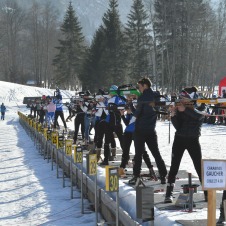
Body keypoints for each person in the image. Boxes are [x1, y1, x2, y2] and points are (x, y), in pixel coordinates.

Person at [164, 88, 206, 203]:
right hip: (180, 139)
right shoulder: (180, 106)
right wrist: (173, 115)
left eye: (184, 98)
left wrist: (185, 110)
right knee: (174, 167)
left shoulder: (200, 106)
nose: (181, 100)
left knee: (199, 167)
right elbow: (178, 127)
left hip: (193, 140)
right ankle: (168, 193)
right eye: (181, 98)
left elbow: (200, 117)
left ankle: (207, 193)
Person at [128, 77, 167, 185]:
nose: (139, 89)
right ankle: (163, 175)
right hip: (151, 129)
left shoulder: (142, 98)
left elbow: (136, 114)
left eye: (140, 86)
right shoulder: (156, 95)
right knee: (156, 153)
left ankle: (136, 176)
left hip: (140, 130)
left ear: (145, 85)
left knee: (138, 154)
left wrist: (130, 103)